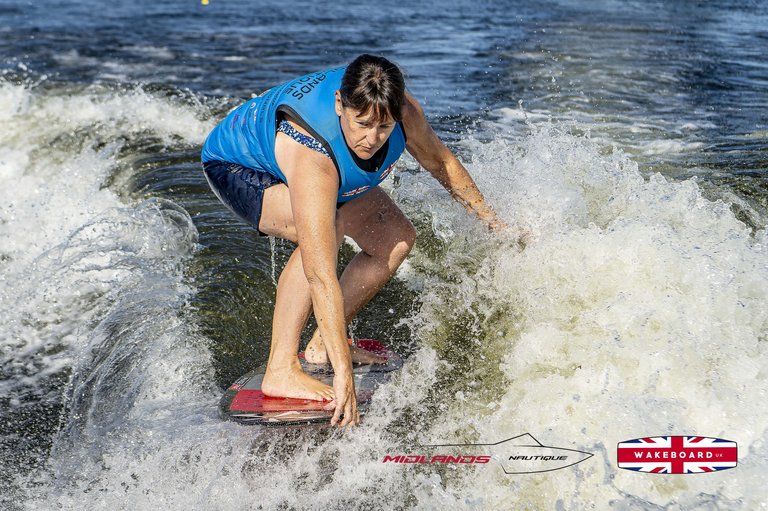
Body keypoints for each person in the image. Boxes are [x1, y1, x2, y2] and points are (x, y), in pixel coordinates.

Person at [202, 54, 504, 427]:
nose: (372, 139)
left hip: (321, 164)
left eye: (384, 127)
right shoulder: (313, 153)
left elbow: (442, 163)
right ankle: (279, 368)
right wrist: (344, 376)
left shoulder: (401, 110)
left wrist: (495, 225)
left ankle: (321, 346)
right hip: (240, 165)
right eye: (361, 124)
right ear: (339, 105)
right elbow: (319, 273)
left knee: (394, 238)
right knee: (325, 232)